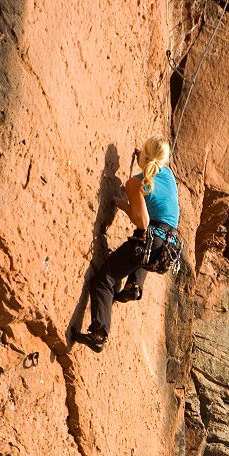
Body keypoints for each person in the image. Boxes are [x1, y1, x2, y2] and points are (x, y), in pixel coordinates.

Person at [80, 136, 180, 352]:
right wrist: (143, 160)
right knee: (142, 251)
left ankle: (98, 334)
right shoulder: (169, 176)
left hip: (152, 240)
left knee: (104, 280)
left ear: (143, 155)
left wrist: (124, 205)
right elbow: (155, 177)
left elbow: (142, 222)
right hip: (170, 246)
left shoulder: (135, 183)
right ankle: (134, 285)